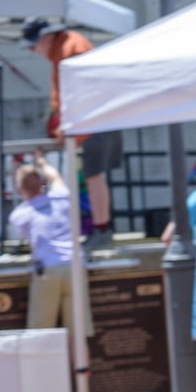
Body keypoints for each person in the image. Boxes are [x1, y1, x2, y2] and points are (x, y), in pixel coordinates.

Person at [22, 17, 123, 251]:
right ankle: (102, 227)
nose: (32, 51)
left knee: (94, 175)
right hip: (99, 117)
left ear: (45, 38)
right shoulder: (68, 45)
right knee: (95, 176)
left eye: (32, 45)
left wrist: (67, 124)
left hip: (95, 119)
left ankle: (102, 229)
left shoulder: (69, 49)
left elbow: (79, 91)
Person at [8, 149, 81, 337]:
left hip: (48, 269)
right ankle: (81, 366)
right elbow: (55, 176)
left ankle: (45, 367)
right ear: (43, 183)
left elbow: (28, 239)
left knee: (42, 335)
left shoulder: (19, 215)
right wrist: (41, 160)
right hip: (75, 266)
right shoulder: (62, 197)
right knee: (77, 336)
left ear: (19, 189)